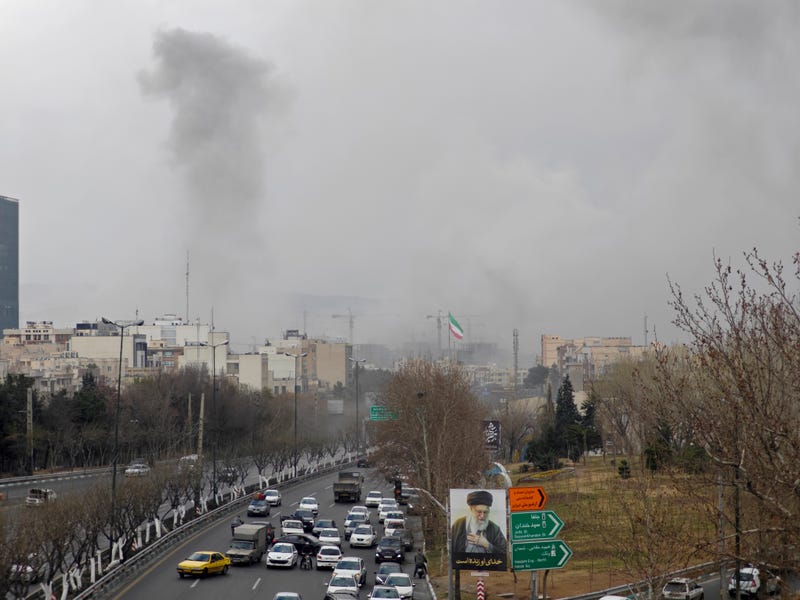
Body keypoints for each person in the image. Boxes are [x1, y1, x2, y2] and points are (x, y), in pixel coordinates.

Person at [450, 490, 508, 559]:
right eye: (479, 512)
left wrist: (487, 545)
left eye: (485, 512)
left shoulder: (495, 529)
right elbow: (452, 550)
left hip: (488, 567)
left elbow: (504, 552)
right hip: (464, 567)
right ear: (471, 509)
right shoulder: (458, 525)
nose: (482, 516)